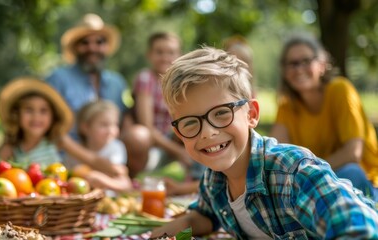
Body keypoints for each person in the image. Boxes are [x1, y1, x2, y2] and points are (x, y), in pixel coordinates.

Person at [150, 46, 378, 238]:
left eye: (221, 113)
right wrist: (163, 232)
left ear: (251, 114)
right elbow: (204, 215)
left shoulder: (294, 173)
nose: (208, 133)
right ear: (180, 135)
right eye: (190, 122)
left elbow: (360, 229)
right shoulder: (214, 180)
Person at [269, 33, 378, 199]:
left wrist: (307, 172)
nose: (298, 69)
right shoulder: (287, 106)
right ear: (284, 71)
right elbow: (274, 156)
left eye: (306, 61)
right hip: (317, 182)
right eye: (292, 63)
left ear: (322, 64)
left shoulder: (340, 90)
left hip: (365, 182)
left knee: (351, 172)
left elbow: (353, 153)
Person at [45, 13, 151, 175]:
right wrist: (93, 160)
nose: (92, 48)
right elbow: (50, 127)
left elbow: (123, 119)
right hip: (70, 153)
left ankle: (124, 181)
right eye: (84, 42)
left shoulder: (116, 82)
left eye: (99, 42)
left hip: (108, 149)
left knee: (140, 135)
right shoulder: (58, 78)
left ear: (106, 47)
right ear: (75, 48)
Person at [0, 77, 124, 177]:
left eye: (43, 111)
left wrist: (112, 168)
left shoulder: (56, 140)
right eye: (29, 110)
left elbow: (89, 158)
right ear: (17, 115)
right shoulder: (12, 146)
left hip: (55, 197)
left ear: (53, 117)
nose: (36, 117)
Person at [130, 32, 193, 178]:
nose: (165, 57)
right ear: (149, 55)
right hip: (153, 142)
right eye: (159, 52)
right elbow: (147, 126)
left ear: (179, 55)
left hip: (174, 137)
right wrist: (179, 152)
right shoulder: (146, 79)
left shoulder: (182, 82)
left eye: (171, 52)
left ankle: (195, 180)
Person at [68, 100, 132, 192]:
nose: (111, 130)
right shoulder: (74, 151)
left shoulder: (116, 148)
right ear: (85, 127)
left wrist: (103, 181)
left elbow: (125, 184)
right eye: (104, 125)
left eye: (115, 124)